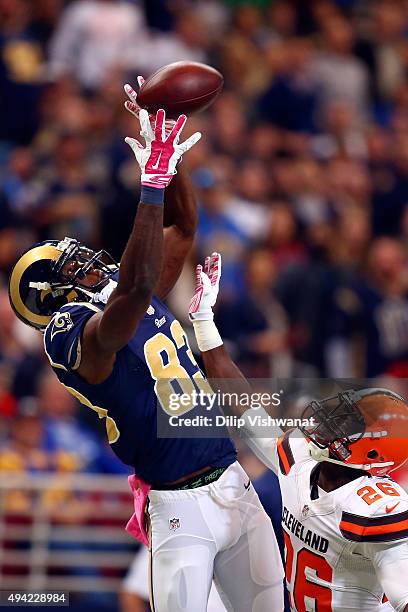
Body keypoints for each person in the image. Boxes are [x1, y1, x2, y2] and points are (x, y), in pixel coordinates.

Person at [8, 86, 284, 611]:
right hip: (178, 506)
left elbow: (183, 226)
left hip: (232, 480)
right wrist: (150, 185)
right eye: (68, 266)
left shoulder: (128, 290)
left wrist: (166, 150)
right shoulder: (68, 332)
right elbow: (131, 295)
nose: (86, 258)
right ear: (50, 294)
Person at [188, 252, 408, 612]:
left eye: (348, 422)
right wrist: (203, 322)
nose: (331, 421)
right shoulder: (300, 461)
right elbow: (242, 403)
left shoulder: (378, 508)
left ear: (373, 452)